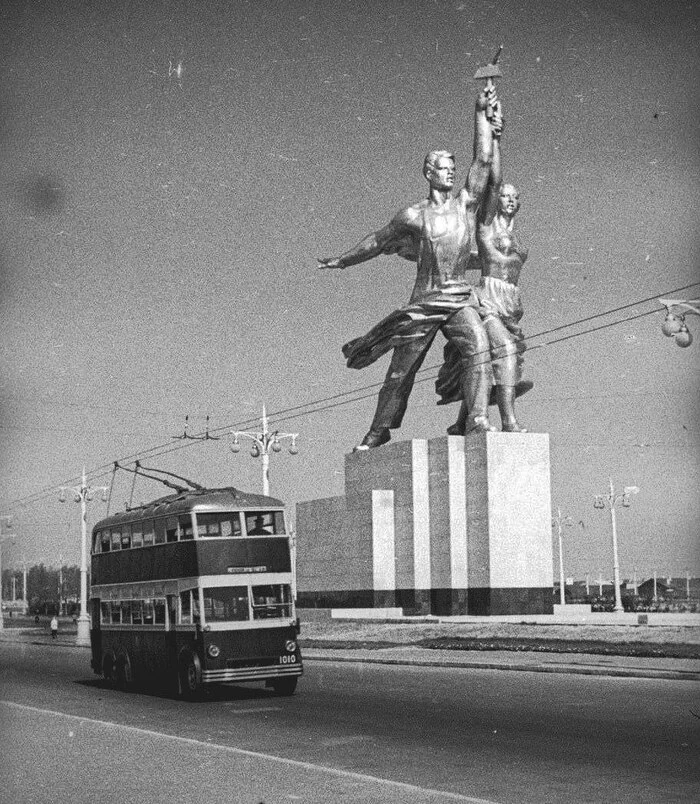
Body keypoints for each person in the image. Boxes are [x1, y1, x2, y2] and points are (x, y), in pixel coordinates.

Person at [319, 87, 503, 449]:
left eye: (453, 170)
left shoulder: (465, 205)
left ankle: (478, 417)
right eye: (444, 170)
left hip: (457, 296)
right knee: (402, 371)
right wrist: (343, 260)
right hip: (424, 302)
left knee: (478, 345)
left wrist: (481, 113)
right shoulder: (413, 216)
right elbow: (377, 240)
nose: (451, 176)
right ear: (429, 173)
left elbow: (482, 161)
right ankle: (377, 431)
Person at [437, 133, 529, 433]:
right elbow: (492, 179)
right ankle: (508, 421)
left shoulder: (517, 237)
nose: (510, 200)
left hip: (510, 305)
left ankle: (462, 422)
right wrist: (496, 139)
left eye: (515, 197)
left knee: (486, 361)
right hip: (488, 298)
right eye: (505, 196)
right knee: (504, 350)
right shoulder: (487, 228)